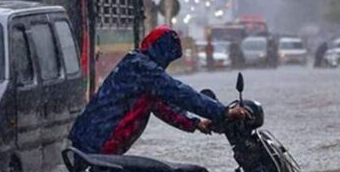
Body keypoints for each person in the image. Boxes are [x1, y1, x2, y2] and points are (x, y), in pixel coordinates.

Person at [69, 26, 250, 155]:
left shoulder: (135, 65)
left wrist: (195, 123)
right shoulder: (143, 69)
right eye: (169, 57)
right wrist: (224, 111)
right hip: (98, 147)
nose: (167, 64)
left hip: (87, 145)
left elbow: (163, 107)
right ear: (162, 51)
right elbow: (181, 93)